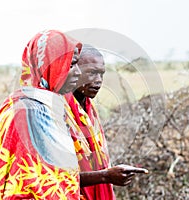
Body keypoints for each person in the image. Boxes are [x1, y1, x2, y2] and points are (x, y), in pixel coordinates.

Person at [0, 30, 83, 199]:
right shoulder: (27, 113)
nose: (79, 72)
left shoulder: (47, 107)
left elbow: (60, 175)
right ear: (50, 67)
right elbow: (28, 181)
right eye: (71, 65)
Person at [65, 44, 148, 200]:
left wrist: (108, 175)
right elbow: (52, 175)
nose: (98, 81)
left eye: (101, 74)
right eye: (91, 73)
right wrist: (105, 176)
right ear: (73, 71)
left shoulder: (88, 110)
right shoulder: (57, 111)